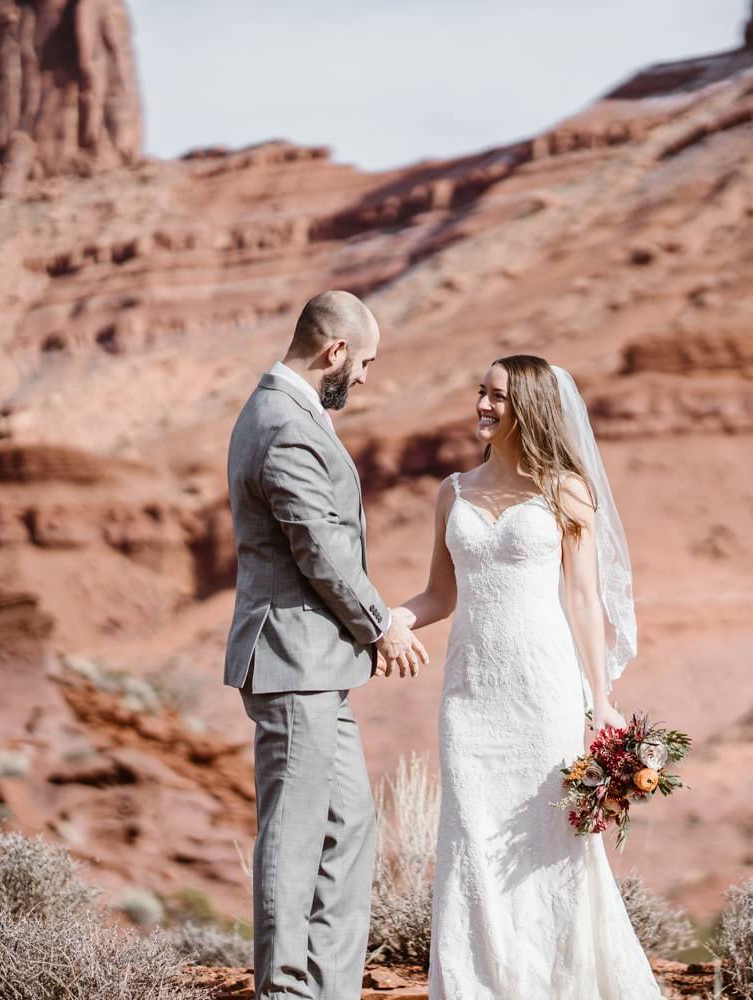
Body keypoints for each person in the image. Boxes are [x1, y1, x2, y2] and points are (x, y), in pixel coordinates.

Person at [395, 354, 661, 998]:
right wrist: (393, 620)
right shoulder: (452, 491)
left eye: (498, 397)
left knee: (551, 846)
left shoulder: (566, 491)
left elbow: (583, 601)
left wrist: (600, 701)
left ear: (531, 408)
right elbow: (439, 594)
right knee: (471, 845)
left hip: (544, 694)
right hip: (470, 697)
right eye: (480, 392)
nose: (483, 406)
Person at [221, 289, 427, 1000]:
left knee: (348, 825)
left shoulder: (282, 410)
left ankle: (327, 989)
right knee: (296, 836)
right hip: (292, 660)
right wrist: (382, 624)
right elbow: (320, 547)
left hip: (312, 664)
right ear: (334, 351)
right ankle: (287, 992)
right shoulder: (284, 422)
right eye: (363, 361)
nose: (365, 377)